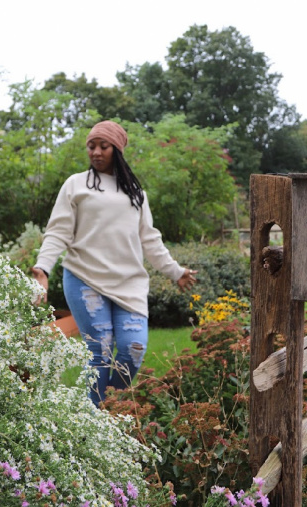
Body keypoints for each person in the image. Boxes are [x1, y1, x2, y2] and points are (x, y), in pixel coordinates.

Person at [32, 120, 197, 407]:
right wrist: (42, 268)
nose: (96, 152)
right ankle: (98, 420)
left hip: (129, 284)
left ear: (117, 150)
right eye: (91, 146)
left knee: (134, 349)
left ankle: (107, 409)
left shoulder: (135, 193)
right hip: (85, 279)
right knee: (101, 352)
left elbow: (150, 240)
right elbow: (58, 231)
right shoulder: (76, 185)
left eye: (103, 146)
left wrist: (176, 271)